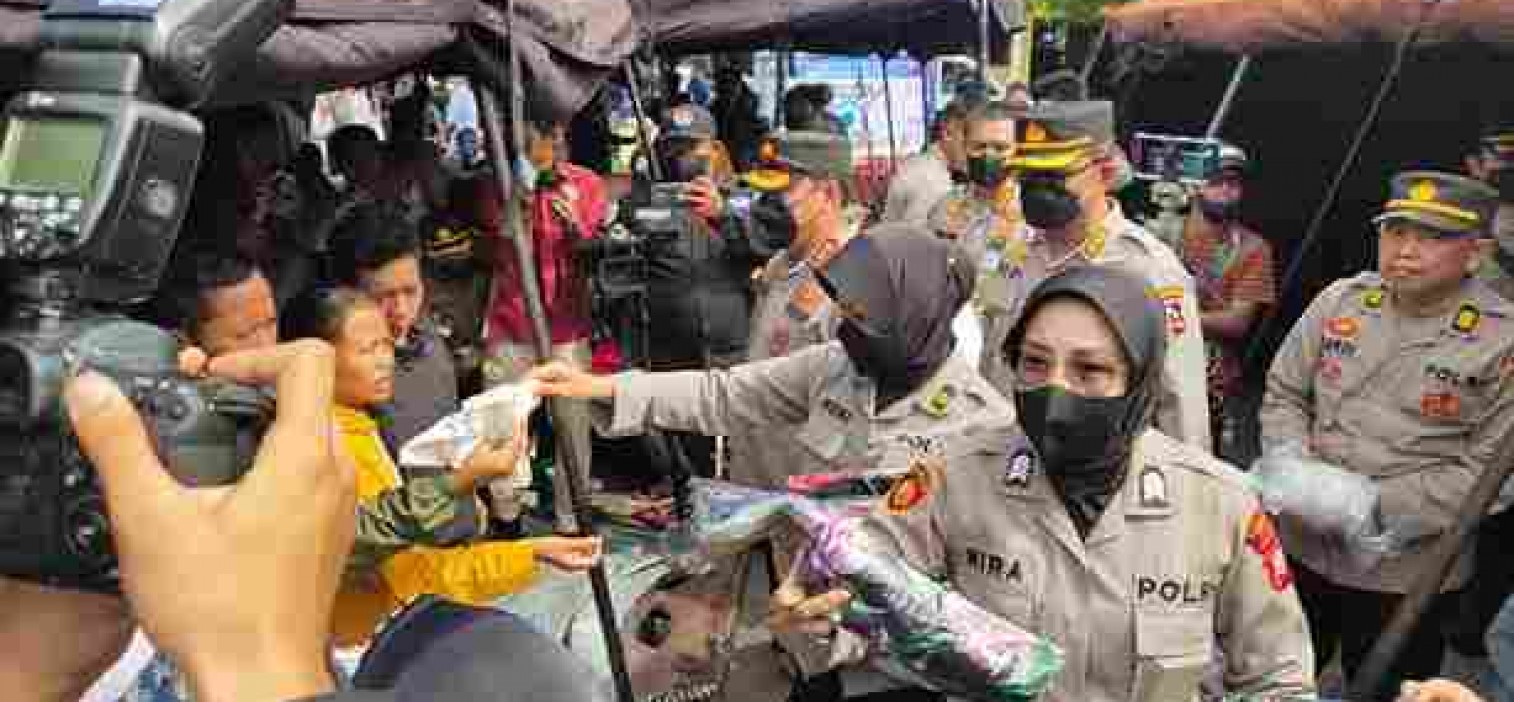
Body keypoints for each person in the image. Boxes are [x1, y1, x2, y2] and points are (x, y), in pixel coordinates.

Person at [770, 265, 1316, 702]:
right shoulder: (952, 475)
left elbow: (1278, 678)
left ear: (1140, 383)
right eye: (1034, 363)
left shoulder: (1219, 504)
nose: (1055, 391)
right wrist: (818, 619)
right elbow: (858, 599)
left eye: (1089, 371)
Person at [529, 232, 1013, 699]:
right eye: (843, 310)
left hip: (897, 669)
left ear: (913, 315)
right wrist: (601, 388)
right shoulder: (835, 368)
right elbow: (726, 394)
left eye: (863, 315)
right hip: (802, 635)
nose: (847, 328)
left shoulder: (982, 427)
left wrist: (860, 624)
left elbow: (977, 592)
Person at [1262, 171, 1514, 700]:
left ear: (1477, 252)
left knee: (1386, 691)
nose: (1406, 250)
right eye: (1396, 231)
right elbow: (1286, 391)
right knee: (1270, 679)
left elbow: (1493, 473)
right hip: (1299, 548)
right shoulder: (1342, 301)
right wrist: (1293, 472)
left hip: (1404, 577)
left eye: (1432, 237)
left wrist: (1365, 506)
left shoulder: (1501, 340)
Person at [280, 287, 601, 647]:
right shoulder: (316, 446)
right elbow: (389, 560)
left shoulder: (359, 429)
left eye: (387, 345)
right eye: (368, 350)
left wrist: (533, 552)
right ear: (314, 362)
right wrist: (462, 482)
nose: (386, 360)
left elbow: (419, 570)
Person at [975, 100, 1212, 451]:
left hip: (1098, 469)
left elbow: (1181, 397)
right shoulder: (1011, 251)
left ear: (1102, 171)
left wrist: (1189, 493)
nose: (1038, 188)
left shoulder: (1149, 269)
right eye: (1028, 175)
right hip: (1009, 456)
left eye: (1054, 176)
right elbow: (990, 346)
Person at [479, 116, 608, 532]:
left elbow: (595, 249)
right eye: (542, 139)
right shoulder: (495, 183)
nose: (554, 145)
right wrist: (524, 188)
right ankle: (507, 516)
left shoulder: (585, 183)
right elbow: (497, 236)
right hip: (510, 325)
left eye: (555, 136)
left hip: (567, 325)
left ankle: (573, 518)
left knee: (572, 425)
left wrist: (575, 226)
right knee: (503, 422)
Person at [737, 132, 862, 490]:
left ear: (829, 194)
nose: (767, 203)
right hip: (758, 467)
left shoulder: (854, 273)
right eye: (764, 191)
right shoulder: (781, 260)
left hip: (807, 485)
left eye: (783, 191)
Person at [1173, 143, 1277, 461]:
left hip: (1207, 385)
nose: (1226, 190)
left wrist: (1170, 312)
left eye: (1233, 183)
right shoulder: (1158, 232)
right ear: (1191, 186)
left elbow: (1236, 323)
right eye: (1215, 181)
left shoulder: (1252, 248)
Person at [334, 206, 458, 449]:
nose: (400, 311)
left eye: (411, 291)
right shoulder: (342, 378)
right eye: (382, 297)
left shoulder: (430, 339)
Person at [879, 95, 983, 226]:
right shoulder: (933, 182)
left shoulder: (928, 165)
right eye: (976, 143)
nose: (978, 154)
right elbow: (920, 241)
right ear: (948, 134)